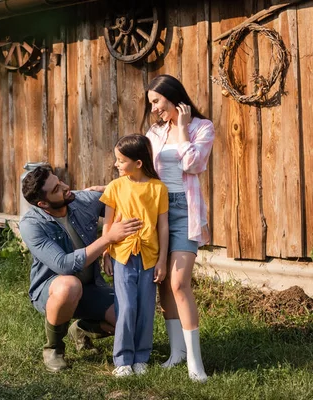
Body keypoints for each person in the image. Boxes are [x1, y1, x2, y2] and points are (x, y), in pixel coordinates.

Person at [19, 165, 142, 372]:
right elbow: (63, 265)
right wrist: (107, 239)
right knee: (69, 285)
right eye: (57, 189)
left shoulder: (83, 201)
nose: (66, 187)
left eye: (60, 182)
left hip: (90, 287)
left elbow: (126, 203)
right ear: (43, 203)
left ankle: (82, 329)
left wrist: (110, 189)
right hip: (52, 290)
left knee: (133, 317)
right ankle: (54, 348)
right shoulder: (32, 225)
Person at [144, 74, 215, 382]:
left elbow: (194, 165)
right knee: (163, 284)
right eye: (151, 104)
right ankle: (177, 354)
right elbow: (145, 173)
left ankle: (195, 365)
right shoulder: (154, 132)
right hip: (158, 210)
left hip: (185, 212)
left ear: (173, 97)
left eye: (157, 102)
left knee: (178, 284)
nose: (155, 109)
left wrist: (183, 130)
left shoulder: (202, 127)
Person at [100, 134, 169, 377]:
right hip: (122, 255)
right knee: (126, 306)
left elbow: (163, 227)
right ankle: (122, 360)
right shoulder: (115, 187)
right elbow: (107, 225)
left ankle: (142, 357)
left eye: (121, 160)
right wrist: (106, 254)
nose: (116, 164)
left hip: (150, 257)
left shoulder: (158, 188)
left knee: (146, 308)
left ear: (138, 163)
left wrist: (162, 260)